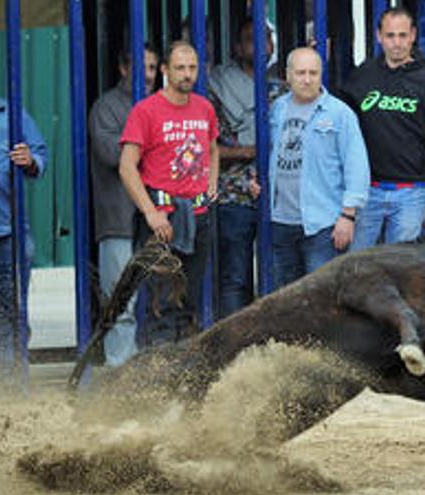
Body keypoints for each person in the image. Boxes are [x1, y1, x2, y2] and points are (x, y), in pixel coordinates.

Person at [119, 41, 219, 346]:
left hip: (199, 216)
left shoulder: (205, 108)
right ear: (165, 70)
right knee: (160, 302)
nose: (187, 75)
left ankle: (181, 377)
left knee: (188, 302)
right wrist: (150, 212)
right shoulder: (146, 110)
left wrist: (212, 181)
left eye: (192, 68)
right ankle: (157, 379)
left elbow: (213, 148)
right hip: (161, 220)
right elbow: (127, 166)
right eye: (180, 68)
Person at [343, 7, 425, 249]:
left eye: (403, 35)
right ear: (379, 36)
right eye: (390, 36)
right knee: (357, 267)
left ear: (413, 35)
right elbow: (341, 126)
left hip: (412, 193)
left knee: (400, 268)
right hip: (367, 191)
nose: (397, 43)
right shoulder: (364, 75)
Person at [268, 48, 369, 289]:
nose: (307, 79)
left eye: (313, 73)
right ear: (288, 76)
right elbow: (270, 153)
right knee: (286, 294)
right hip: (281, 219)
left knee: (321, 295)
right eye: (300, 72)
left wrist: (347, 216)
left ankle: (317, 331)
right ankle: (293, 330)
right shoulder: (277, 109)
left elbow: (357, 167)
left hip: (322, 223)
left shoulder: (340, 114)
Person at [0, 45, 48, 380]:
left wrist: (30, 161)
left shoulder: (11, 113)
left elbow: (40, 155)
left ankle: (9, 391)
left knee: (12, 313)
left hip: (8, 231)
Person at [208, 18, 284, 319]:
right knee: (234, 278)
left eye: (266, 38)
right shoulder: (216, 88)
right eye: (251, 39)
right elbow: (205, 146)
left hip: (278, 197)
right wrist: (252, 152)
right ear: (238, 47)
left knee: (277, 278)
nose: (261, 45)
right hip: (233, 196)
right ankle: (233, 344)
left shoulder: (282, 89)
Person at [88, 45, 158, 366]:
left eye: (153, 67)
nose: (148, 74)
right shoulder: (106, 108)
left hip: (158, 219)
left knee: (159, 300)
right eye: (141, 66)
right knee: (121, 304)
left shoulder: (161, 107)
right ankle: (120, 372)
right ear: (123, 68)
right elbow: (113, 156)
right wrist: (155, 149)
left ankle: (151, 370)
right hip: (118, 220)